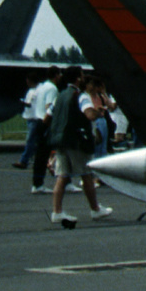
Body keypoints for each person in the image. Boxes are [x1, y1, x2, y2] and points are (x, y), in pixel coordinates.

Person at [46, 66, 111, 227]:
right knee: (86, 174)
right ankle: (95, 209)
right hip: (76, 141)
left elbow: (46, 118)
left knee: (62, 176)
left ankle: (57, 211)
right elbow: (89, 114)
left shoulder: (59, 97)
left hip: (60, 141)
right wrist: (99, 112)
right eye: (81, 76)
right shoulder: (80, 96)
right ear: (77, 79)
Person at [29, 65, 62, 193]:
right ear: (56, 75)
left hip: (38, 120)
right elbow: (50, 107)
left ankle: (37, 183)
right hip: (46, 122)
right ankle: (38, 184)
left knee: (41, 155)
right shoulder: (52, 89)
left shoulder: (42, 86)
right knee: (47, 154)